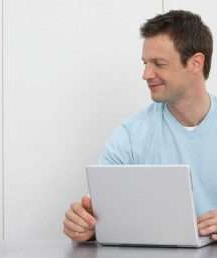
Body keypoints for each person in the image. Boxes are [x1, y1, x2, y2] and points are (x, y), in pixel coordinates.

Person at [63, 10, 217, 242]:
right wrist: (86, 226)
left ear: (196, 63)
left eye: (159, 64)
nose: (146, 74)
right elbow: (101, 213)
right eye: (145, 63)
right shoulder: (131, 135)